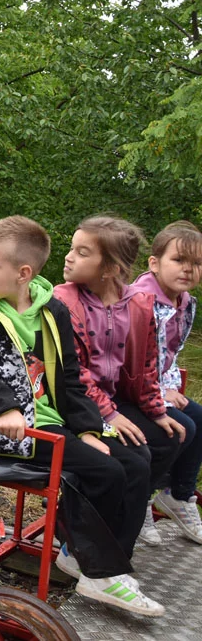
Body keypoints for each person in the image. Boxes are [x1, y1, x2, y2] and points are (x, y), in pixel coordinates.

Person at [0, 215, 161, 616]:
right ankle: (96, 568)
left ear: (24, 273)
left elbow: (69, 377)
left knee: (137, 462)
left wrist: (86, 428)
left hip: (57, 420)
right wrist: (6, 409)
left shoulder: (51, 310)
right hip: (11, 428)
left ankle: (102, 562)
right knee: (106, 472)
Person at [55, 215, 185, 546]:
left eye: (82, 252)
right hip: (77, 406)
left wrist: (156, 410)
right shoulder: (65, 300)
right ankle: (85, 539)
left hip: (111, 400)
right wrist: (109, 416)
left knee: (168, 436)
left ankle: (128, 511)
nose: (69, 256)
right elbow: (73, 373)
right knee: (133, 458)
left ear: (110, 269)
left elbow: (145, 365)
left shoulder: (138, 305)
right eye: (73, 248)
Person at [130, 220, 202, 542]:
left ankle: (179, 495)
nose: (188, 269)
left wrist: (169, 386)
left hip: (155, 385)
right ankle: (139, 499)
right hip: (129, 387)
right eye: (179, 260)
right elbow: (133, 358)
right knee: (178, 428)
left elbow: (169, 353)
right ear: (155, 264)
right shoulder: (141, 300)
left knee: (199, 418)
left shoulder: (185, 303)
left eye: (197, 263)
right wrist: (160, 392)